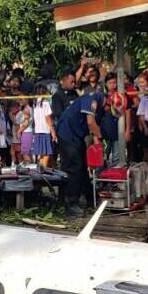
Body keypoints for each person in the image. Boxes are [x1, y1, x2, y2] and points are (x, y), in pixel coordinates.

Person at [56, 83, 103, 211]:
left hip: (76, 135)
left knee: (83, 165)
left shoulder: (94, 104)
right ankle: (71, 202)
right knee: (74, 166)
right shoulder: (92, 99)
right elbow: (90, 122)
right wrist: (99, 137)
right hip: (67, 134)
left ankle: (90, 198)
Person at [101, 73, 127, 168]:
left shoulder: (122, 95)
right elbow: (103, 110)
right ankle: (104, 178)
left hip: (118, 131)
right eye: (110, 83)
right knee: (104, 156)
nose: (112, 85)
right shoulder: (102, 96)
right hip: (105, 130)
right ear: (106, 84)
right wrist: (110, 102)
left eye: (114, 82)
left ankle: (116, 177)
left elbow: (127, 111)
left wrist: (127, 129)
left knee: (117, 155)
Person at [30, 89, 55, 166]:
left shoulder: (35, 103)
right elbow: (48, 118)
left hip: (38, 130)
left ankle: (41, 170)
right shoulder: (45, 103)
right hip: (45, 130)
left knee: (41, 153)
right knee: (46, 153)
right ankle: (43, 170)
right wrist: (52, 131)